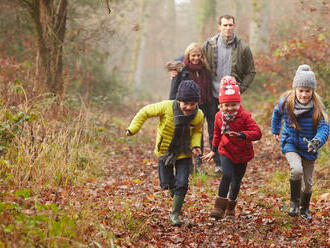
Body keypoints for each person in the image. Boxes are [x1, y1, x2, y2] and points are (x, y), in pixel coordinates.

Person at [170, 14, 256, 174]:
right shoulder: (210, 45)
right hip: (209, 95)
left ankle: (221, 163)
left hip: (229, 98)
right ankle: (199, 163)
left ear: (234, 26)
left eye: (230, 25)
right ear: (219, 27)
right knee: (203, 128)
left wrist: (240, 89)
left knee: (224, 129)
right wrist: (175, 66)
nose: (228, 28)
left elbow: (251, 71)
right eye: (225, 25)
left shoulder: (243, 47)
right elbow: (190, 54)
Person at [126, 80, 204, 226]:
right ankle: (176, 197)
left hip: (184, 153)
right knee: (166, 184)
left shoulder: (198, 115)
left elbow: (197, 131)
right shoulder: (166, 107)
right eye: (185, 103)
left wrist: (195, 146)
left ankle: (175, 214)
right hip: (165, 151)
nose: (188, 107)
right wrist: (133, 129)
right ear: (178, 100)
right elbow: (145, 112)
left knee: (182, 182)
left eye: (192, 104)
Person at [271, 65, 329, 220]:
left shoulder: (317, 107)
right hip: (291, 143)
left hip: (310, 147)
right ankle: (294, 204)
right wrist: (276, 130)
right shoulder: (286, 102)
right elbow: (276, 114)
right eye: (301, 90)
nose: (304, 94)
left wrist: (317, 141)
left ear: (312, 91)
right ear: (295, 89)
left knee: (309, 184)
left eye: (307, 91)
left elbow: (324, 127)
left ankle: (304, 209)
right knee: (296, 170)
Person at [202, 76, 262, 219]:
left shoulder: (245, 116)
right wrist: (213, 150)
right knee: (227, 175)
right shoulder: (218, 117)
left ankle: (230, 208)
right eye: (226, 105)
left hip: (242, 153)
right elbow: (217, 133)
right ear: (221, 106)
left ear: (238, 103)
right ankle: (218, 207)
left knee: (236, 181)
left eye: (233, 105)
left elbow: (257, 133)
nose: (230, 108)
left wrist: (242, 135)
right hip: (226, 150)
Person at [166, 42, 217, 173]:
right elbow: (173, 90)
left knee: (199, 134)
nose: (196, 58)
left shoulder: (205, 69)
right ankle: (186, 164)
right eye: (193, 55)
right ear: (188, 55)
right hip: (185, 107)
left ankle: (199, 164)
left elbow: (209, 87)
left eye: (198, 55)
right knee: (185, 134)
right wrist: (172, 105)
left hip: (204, 104)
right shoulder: (181, 69)